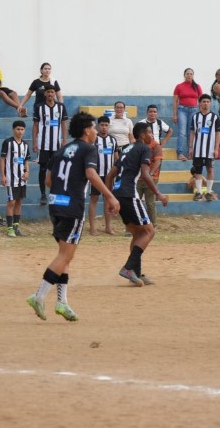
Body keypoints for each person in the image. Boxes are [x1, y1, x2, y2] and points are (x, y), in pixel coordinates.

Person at [26, 112, 120, 323]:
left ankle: (62, 302)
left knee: (64, 254)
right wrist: (110, 196)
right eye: (94, 128)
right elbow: (91, 174)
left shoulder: (61, 150)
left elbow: (49, 180)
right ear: (87, 130)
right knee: (65, 256)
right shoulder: (89, 149)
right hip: (72, 207)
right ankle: (39, 295)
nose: (96, 131)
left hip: (55, 204)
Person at [107, 122, 169, 286]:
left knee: (137, 234)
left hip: (118, 193)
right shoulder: (144, 149)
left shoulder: (126, 148)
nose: (152, 135)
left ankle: (137, 274)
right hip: (129, 194)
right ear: (143, 135)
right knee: (149, 231)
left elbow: (109, 175)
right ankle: (128, 268)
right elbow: (145, 174)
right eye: (150, 132)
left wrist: (109, 198)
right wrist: (159, 194)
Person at [33, 86, 68, 205]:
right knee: (42, 169)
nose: (50, 94)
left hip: (57, 145)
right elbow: (35, 126)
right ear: (44, 94)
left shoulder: (61, 107)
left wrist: (64, 140)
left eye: (52, 92)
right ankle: (43, 194)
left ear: (54, 94)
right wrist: (34, 142)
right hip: (43, 144)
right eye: (48, 92)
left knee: (57, 169)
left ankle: (55, 192)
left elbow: (63, 124)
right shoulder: (40, 107)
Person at [87, 115, 118, 236]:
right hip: (96, 174)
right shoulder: (93, 139)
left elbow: (116, 158)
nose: (104, 127)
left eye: (106, 125)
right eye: (102, 125)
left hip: (109, 176)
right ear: (98, 125)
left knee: (108, 200)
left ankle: (108, 227)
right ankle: (92, 228)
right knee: (94, 199)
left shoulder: (113, 140)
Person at [0, 120, 30, 237]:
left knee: (19, 201)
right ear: (13, 130)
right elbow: (2, 159)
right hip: (11, 177)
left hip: (22, 178)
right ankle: (9, 228)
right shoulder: (7, 143)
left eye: (22, 129)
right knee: (11, 202)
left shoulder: (25, 145)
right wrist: (2, 175)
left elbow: (26, 160)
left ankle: (16, 226)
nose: (20, 131)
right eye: (18, 129)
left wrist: (27, 171)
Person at [190, 94, 220, 201]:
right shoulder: (195, 117)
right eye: (204, 101)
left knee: (210, 169)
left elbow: (217, 134)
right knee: (198, 171)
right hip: (197, 149)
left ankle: (208, 192)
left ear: (210, 103)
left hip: (210, 149)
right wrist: (190, 147)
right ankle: (198, 192)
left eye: (208, 101)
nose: (206, 103)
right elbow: (192, 132)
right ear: (199, 103)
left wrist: (216, 149)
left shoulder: (215, 117)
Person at [172, 68, 201, 161]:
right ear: (184, 75)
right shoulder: (179, 86)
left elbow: (201, 101)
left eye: (191, 74)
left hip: (193, 110)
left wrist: (201, 114)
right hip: (182, 110)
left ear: (193, 75)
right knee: (182, 132)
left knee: (191, 132)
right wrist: (175, 115)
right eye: (187, 73)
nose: (189, 75)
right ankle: (180, 153)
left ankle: (190, 153)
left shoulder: (197, 87)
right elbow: (175, 101)